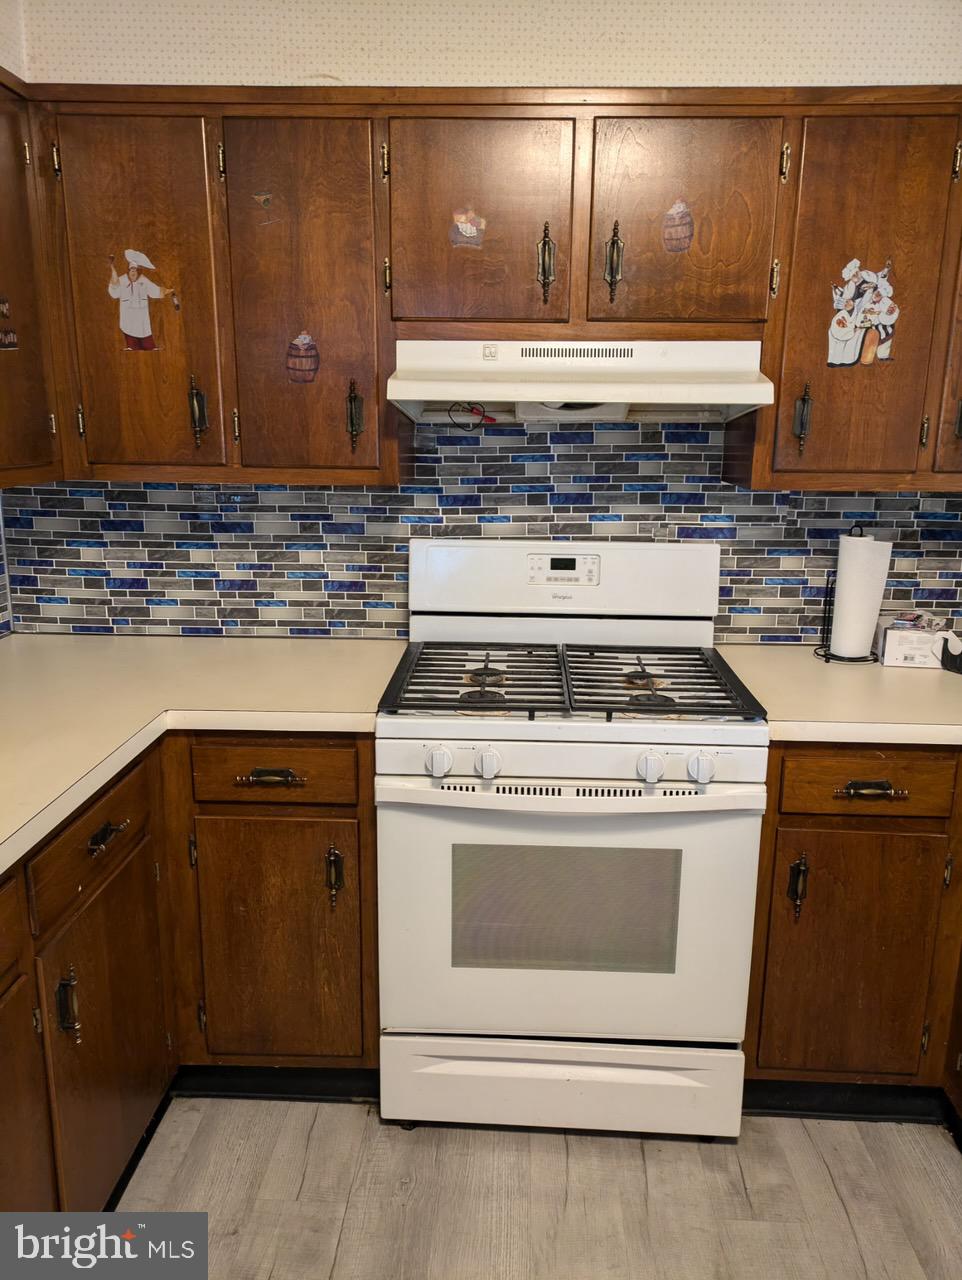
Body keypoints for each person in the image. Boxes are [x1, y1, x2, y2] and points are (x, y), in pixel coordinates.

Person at [107, 250, 176, 351]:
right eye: (131, 270)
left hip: (142, 319)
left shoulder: (143, 280)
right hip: (128, 320)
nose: (133, 272)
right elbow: (114, 291)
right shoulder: (121, 281)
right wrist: (113, 270)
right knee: (132, 345)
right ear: (128, 271)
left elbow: (155, 291)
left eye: (135, 270)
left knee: (148, 342)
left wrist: (168, 290)